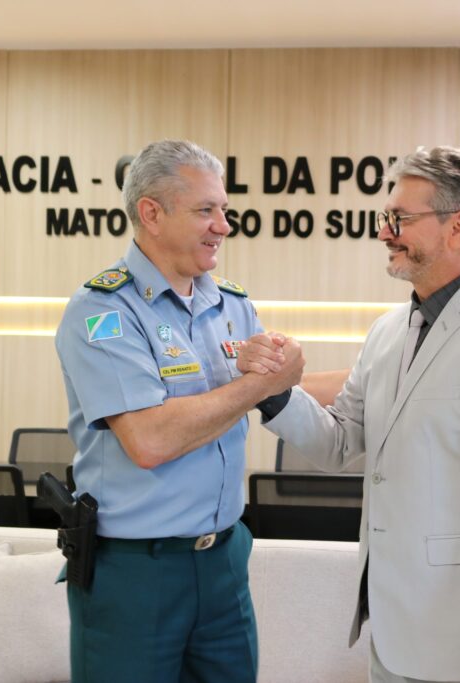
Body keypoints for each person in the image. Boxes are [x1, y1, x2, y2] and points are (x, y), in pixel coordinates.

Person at [239, 147, 460, 683]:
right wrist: (274, 394)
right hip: (390, 623)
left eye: (400, 219)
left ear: (458, 226)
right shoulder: (387, 331)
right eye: (386, 217)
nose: (385, 232)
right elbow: (340, 442)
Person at [55, 139, 304, 683]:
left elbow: (279, 392)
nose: (223, 225)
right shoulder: (103, 310)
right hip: (135, 572)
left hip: (224, 562)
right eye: (206, 210)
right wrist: (259, 383)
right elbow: (150, 441)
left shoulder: (231, 304)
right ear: (151, 213)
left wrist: (380, 384)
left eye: (225, 210)